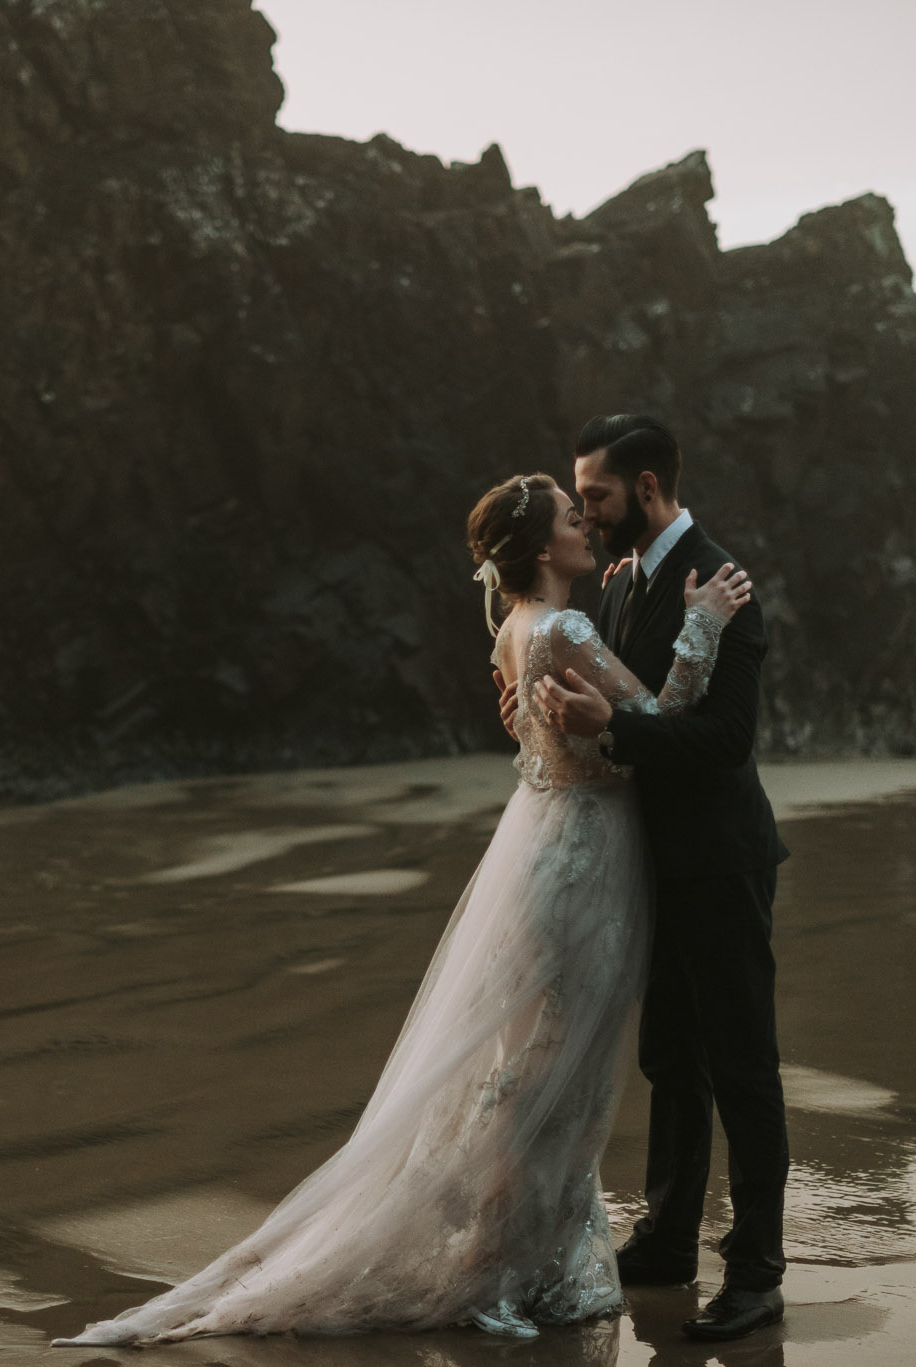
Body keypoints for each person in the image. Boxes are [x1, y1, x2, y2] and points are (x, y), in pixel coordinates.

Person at [53, 473, 751, 1346]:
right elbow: (658, 718)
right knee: (547, 1070)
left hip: (540, 843)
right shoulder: (565, 625)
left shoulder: (513, 630)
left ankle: (516, 1253)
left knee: (529, 1062)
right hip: (584, 862)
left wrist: (581, 723)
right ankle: (502, 1263)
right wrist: (703, 625)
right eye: (576, 519)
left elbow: (543, 733)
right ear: (542, 549)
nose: (589, 530)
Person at [502, 414, 791, 1342]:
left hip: (720, 860)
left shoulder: (723, 581)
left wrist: (611, 730)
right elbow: (597, 688)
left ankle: (755, 1272)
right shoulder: (621, 580)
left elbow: (725, 741)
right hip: (645, 866)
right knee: (672, 1058)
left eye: (598, 496)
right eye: (578, 501)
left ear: (650, 489)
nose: (587, 511)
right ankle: (667, 1238)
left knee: (742, 1065)